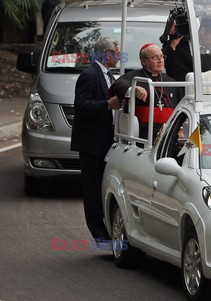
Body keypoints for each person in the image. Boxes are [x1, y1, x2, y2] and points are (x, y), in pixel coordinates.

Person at [71, 37, 122, 240]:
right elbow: (81, 105)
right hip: (91, 143)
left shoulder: (110, 75)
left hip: (106, 141)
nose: (119, 57)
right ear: (107, 54)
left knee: (104, 186)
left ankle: (107, 230)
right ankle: (98, 233)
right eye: (117, 54)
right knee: (92, 188)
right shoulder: (89, 75)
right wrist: (107, 105)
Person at [111, 43, 182, 139]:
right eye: (155, 58)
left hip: (170, 135)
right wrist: (133, 89)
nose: (161, 61)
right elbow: (117, 86)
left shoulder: (171, 81)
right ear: (144, 61)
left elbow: (180, 107)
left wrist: (180, 129)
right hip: (145, 136)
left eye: (162, 57)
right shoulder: (134, 77)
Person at [162, 14, 211, 81]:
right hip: (181, 89)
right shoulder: (177, 45)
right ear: (202, 31)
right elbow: (159, 61)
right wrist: (172, 45)